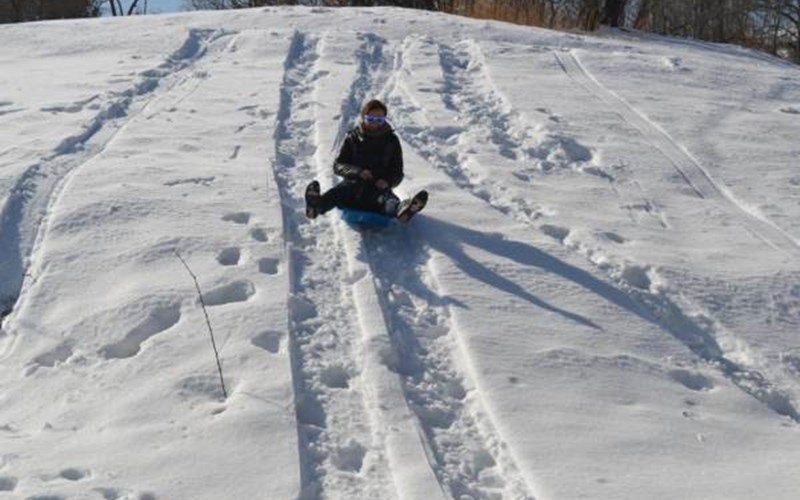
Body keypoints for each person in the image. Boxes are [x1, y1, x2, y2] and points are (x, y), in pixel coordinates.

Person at [304, 99, 427, 223]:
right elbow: (338, 165)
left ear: (384, 119)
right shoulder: (353, 138)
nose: (375, 123)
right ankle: (316, 206)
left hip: (378, 189)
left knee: (389, 201)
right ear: (364, 118)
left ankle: (404, 211)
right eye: (371, 119)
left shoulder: (392, 141)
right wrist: (358, 172)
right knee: (339, 192)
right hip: (354, 186)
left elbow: (397, 172)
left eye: (379, 120)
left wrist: (387, 182)